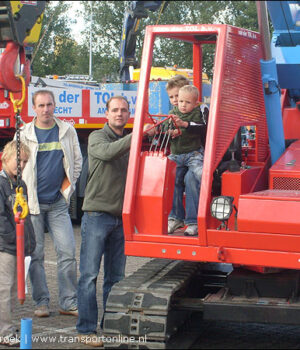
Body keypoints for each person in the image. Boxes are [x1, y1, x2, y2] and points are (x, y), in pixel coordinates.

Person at [18, 90, 82, 318]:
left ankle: (68, 301)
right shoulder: (23, 134)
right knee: (36, 255)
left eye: (49, 105)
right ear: (34, 108)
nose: (46, 109)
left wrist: (67, 188)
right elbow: (16, 167)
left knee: (67, 252)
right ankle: (42, 302)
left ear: (55, 106)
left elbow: (76, 162)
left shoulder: (66, 131)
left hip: (57, 204)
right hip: (33, 205)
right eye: (41, 105)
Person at [76, 96, 132, 347]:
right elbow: (109, 154)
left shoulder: (128, 142)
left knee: (116, 278)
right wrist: (138, 135)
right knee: (89, 275)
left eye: (123, 110)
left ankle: (108, 327)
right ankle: (86, 329)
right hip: (97, 215)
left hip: (121, 219)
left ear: (128, 114)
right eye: (115, 110)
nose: (119, 114)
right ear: (106, 114)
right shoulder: (97, 138)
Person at [0, 140, 36, 347]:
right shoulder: (1, 183)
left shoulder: (20, 184)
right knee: (5, 288)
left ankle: (7, 327)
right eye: (17, 160)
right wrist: (14, 241)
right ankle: (5, 331)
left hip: (19, 246)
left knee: (14, 289)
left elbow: (26, 216)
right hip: (6, 246)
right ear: (6, 158)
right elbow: (2, 220)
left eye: (24, 161)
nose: (20, 165)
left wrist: (29, 241)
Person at [165, 84, 208, 236]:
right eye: (180, 101)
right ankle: (175, 217)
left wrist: (184, 125)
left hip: (193, 154)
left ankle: (193, 222)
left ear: (195, 103)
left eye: (187, 102)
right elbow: (166, 127)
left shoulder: (198, 113)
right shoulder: (172, 112)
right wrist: (170, 132)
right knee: (170, 178)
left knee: (194, 176)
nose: (182, 104)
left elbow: (201, 127)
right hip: (177, 155)